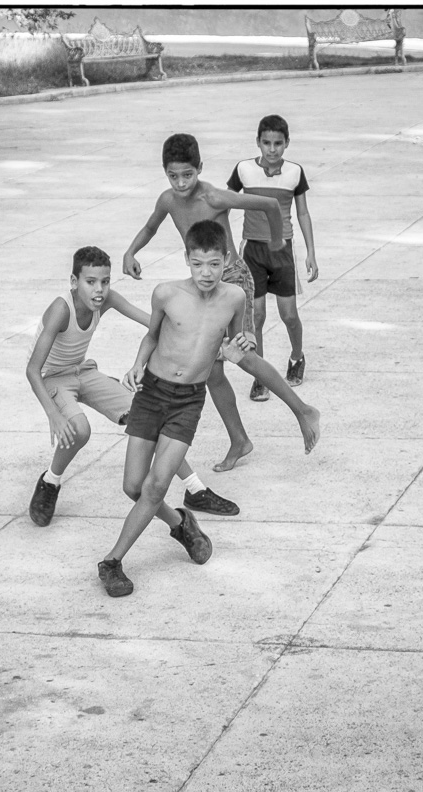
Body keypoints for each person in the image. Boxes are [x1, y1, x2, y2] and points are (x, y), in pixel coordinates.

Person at [99, 220, 318, 598]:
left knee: (156, 486)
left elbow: (241, 338)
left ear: (226, 259)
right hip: (151, 393)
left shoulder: (234, 297)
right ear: (187, 259)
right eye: (198, 263)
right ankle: (182, 524)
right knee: (134, 487)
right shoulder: (166, 294)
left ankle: (112, 561)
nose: (206, 272)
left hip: (188, 401)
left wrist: (242, 344)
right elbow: (151, 336)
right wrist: (137, 365)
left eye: (214, 264)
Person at [122, 133, 318, 472]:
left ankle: (303, 411)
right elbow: (151, 226)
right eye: (173, 176)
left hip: (231, 279)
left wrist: (276, 241)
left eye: (187, 174)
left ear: (200, 167)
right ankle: (239, 439)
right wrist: (131, 251)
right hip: (204, 279)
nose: (181, 183)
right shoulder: (168, 200)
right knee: (211, 371)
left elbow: (270, 206)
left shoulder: (214, 197)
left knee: (242, 355)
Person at [26, 245, 239, 528]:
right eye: (90, 282)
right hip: (52, 377)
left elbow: (151, 323)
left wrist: (201, 336)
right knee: (80, 430)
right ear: (74, 282)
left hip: (82, 370)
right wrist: (53, 414)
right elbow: (32, 370)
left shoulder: (106, 299)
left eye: (105, 281)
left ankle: (195, 489)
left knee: (149, 416)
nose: (99, 289)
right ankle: (50, 481)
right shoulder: (60, 309)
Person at [227, 114, 318, 400]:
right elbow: (223, 203)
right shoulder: (243, 170)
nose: (272, 149)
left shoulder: (295, 172)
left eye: (278, 143)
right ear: (258, 142)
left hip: (282, 251)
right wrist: (225, 247)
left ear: (287, 143)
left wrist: (311, 252)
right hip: (252, 251)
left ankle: (297, 356)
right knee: (256, 316)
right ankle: (261, 375)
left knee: (289, 315)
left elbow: (302, 213)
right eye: (266, 143)